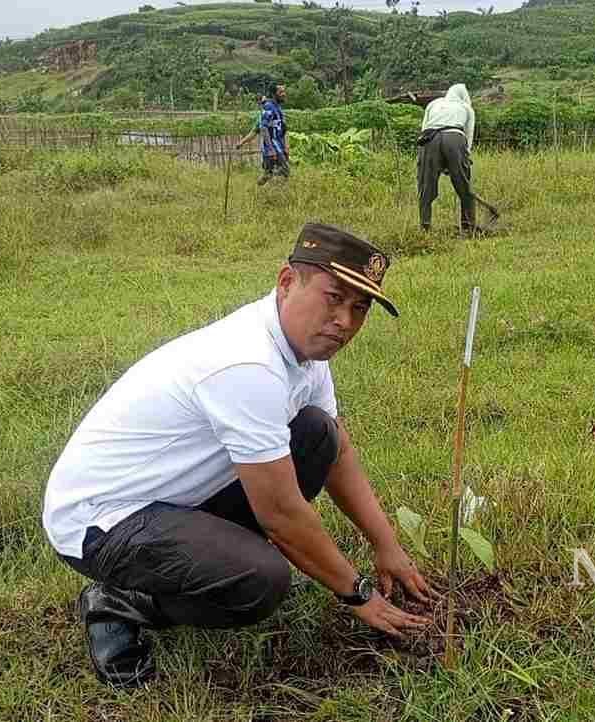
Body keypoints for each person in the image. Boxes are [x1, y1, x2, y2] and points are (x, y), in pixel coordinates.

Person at [42, 223, 438, 689]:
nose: (345, 322)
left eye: (359, 308)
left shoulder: (305, 352)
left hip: (171, 499)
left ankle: (213, 558)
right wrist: (358, 594)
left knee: (317, 434)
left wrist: (386, 544)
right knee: (260, 580)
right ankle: (119, 602)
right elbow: (281, 516)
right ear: (287, 282)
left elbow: (339, 451)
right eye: (333, 298)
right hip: (99, 520)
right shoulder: (248, 363)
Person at [416, 83, 476, 233]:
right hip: (455, 138)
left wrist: (431, 159)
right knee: (464, 187)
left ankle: (425, 226)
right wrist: (464, 157)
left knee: (426, 185)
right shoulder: (466, 108)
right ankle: (468, 227)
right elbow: (468, 136)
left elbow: (424, 129)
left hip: (430, 139)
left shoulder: (433, 104)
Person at [237, 84, 290, 186]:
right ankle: (273, 190)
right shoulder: (268, 107)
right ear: (274, 94)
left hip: (280, 146)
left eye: (284, 91)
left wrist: (286, 145)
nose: (284, 94)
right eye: (281, 92)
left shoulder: (278, 108)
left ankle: (258, 187)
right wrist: (271, 149)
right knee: (285, 171)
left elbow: (284, 129)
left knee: (269, 174)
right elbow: (262, 129)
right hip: (272, 147)